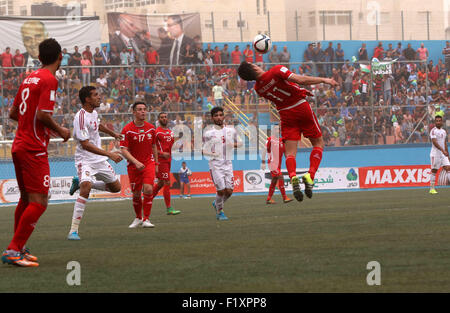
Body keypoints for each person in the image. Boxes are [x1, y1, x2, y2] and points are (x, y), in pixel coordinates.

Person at [2, 38, 70, 267]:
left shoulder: (28, 78)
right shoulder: (49, 79)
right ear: (60, 57)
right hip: (33, 148)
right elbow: (42, 115)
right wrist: (61, 130)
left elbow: (13, 113)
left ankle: (18, 248)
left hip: (18, 145)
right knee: (39, 202)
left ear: (39, 58)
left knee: (25, 199)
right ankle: (13, 249)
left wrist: (30, 122)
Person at [238, 61, 338, 202]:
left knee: (290, 153)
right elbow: (300, 80)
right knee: (318, 143)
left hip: (285, 114)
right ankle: (310, 175)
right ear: (254, 67)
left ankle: (293, 177)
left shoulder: (258, 89)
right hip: (300, 106)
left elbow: (278, 94)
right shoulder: (276, 70)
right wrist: (324, 80)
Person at [67, 86, 123, 240]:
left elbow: (97, 125)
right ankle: (73, 231)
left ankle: (80, 183)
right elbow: (85, 144)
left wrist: (113, 134)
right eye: (96, 95)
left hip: (99, 159)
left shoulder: (94, 112)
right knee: (86, 187)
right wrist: (110, 154)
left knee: (116, 188)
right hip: (85, 159)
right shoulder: (80, 117)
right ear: (87, 99)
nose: (99, 97)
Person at [120, 102, 159, 228]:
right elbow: (123, 150)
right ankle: (138, 218)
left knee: (148, 189)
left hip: (148, 163)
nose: (143, 112)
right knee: (136, 194)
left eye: (144, 109)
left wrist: (156, 163)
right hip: (133, 165)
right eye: (140, 109)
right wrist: (136, 162)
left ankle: (146, 219)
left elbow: (154, 146)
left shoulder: (151, 128)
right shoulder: (127, 129)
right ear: (134, 112)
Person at [203, 107, 242, 220]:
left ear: (223, 116)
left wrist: (232, 145)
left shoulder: (231, 130)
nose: (219, 117)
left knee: (229, 191)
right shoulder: (209, 133)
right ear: (212, 118)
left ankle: (217, 203)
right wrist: (212, 154)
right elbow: (203, 150)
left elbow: (239, 143)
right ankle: (220, 212)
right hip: (215, 164)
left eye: (221, 115)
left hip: (228, 163)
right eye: (216, 115)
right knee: (221, 190)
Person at [152, 112, 181, 215]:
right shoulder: (156, 132)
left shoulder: (170, 132)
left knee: (160, 183)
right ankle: (169, 208)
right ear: (158, 120)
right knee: (167, 182)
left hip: (168, 160)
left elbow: (171, 145)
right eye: (161, 117)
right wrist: (161, 153)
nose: (164, 119)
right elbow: (152, 148)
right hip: (160, 160)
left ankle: (147, 199)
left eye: (165, 117)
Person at [261, 126, 292, 204]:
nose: (277, 130)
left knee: (274, 181)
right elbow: (264, 150)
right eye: (275, 129)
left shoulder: (282, 141)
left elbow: (285, 153)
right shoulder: (270, 140)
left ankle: (269, 199)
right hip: (272, 164)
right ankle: (285, 197)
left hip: (278, 165)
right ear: (273, 131)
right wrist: (263, 162)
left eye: (278, 129)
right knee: (280, 176)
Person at [429, 114, 449, 194]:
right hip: (435, 154)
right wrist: (442, 150)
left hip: (443, 154)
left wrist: (447, 154)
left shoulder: (444, 131)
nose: (438, 122)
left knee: (448, 167)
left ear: (442, 122)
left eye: (439, 121)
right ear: (435, 122)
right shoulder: (433, 131)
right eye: (436, 121)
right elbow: (434, 142)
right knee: (434, 171)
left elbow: (444, 143)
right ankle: (432, 189)